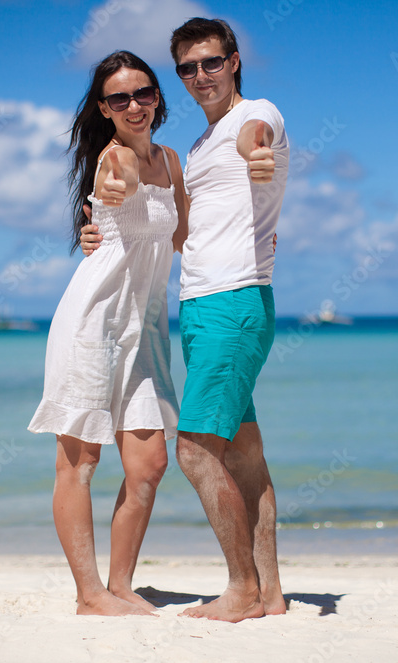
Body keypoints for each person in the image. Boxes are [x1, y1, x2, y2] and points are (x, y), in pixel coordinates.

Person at [82, 17, 289, 623]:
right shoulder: (197, 148)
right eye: (188, 68)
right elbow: (180, 235)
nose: (201, 75)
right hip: (199, 305)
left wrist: (256, 154)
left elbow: (258, 135)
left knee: (197, 451)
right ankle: (269, 593)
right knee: (245, 451)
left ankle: (240, 589)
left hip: (234, 300)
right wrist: (100, 229)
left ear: (235, 60)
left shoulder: (259, 114)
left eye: (212, 62)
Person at [28, 50, 189, 617]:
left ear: (157, 98)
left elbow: (185, 239)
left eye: (143, 93)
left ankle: (121, 585)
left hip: (145, 330)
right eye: (119, 98)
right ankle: (88, 593)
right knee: (79, 462)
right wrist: (110, 196)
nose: (134, 105)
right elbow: (111, 183)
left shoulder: (171, 162)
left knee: (149, 465)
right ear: (104, 108)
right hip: (94, 321)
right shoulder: (112, 158)